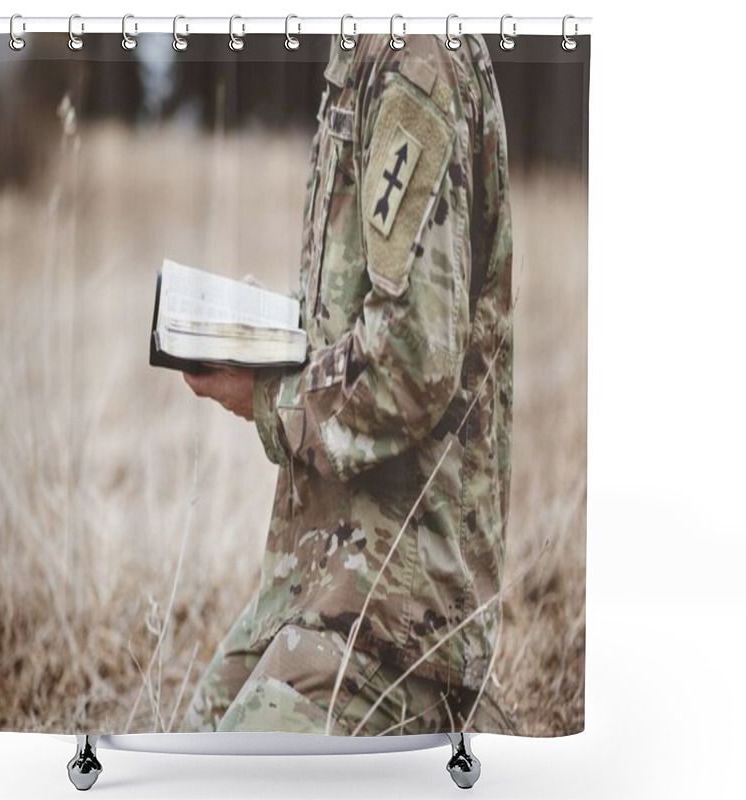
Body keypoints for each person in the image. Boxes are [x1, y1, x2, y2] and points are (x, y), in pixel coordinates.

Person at [181, 32, 514, 736]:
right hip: (327, 578)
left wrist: (271, 398)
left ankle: (458, 726)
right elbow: (370, 304)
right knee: (190, 739)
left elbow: (412, 361)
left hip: (401, 618)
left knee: (233, 774)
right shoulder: (362, 49)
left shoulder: (413, 61)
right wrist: (269, 336)